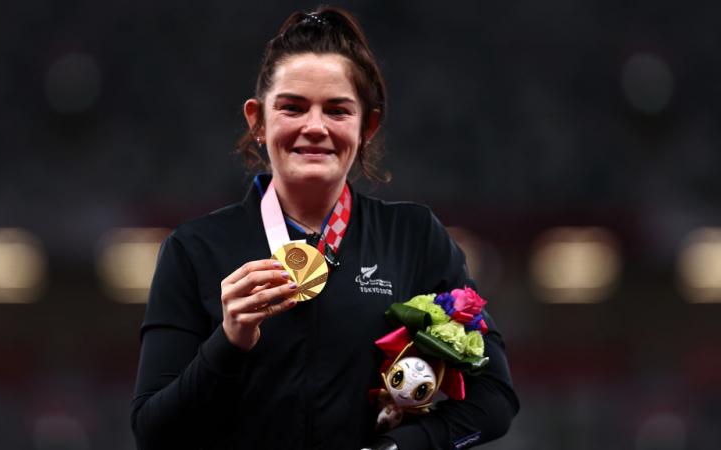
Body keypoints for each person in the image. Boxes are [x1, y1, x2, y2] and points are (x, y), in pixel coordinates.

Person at [131, 6, 518, 450]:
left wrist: (399, 448)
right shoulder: (194, 250)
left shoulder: (414, 237)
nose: (314, 127)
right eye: (293, 108)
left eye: (337, 110)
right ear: (257, 121)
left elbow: (495, 399)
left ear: (367, 126)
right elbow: (152, 433)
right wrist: (228, 341)